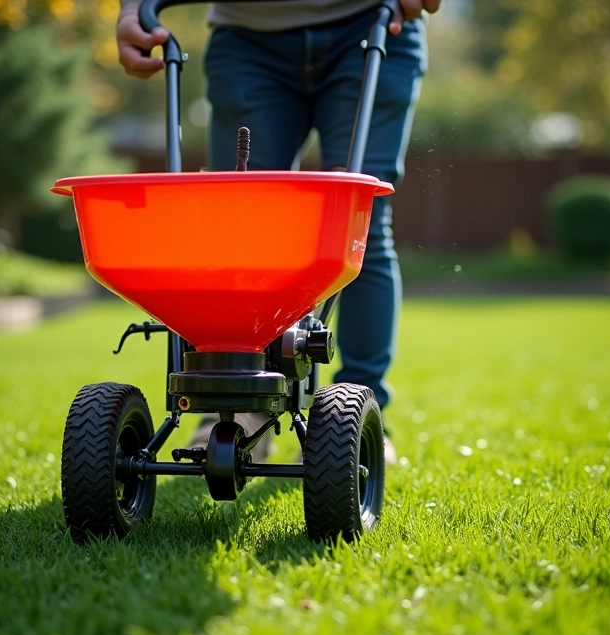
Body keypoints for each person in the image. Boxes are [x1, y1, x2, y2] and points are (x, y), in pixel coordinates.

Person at [117, 0, 442, 464]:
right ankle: (237, 410)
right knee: (241, 223)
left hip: (370, 25)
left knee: (357, 226)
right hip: (248, 38)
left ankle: (362, 416)